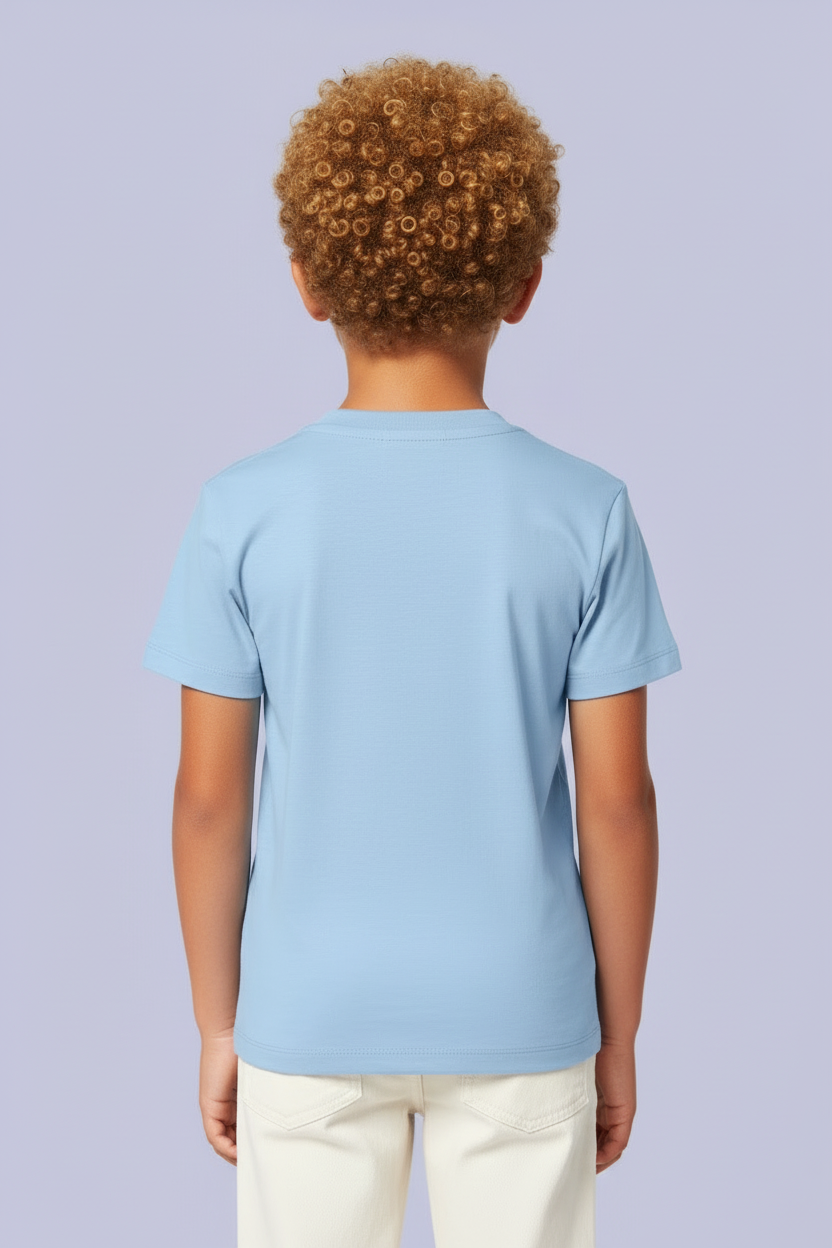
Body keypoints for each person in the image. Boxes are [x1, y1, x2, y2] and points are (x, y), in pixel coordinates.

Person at [142, 55, 682, 1248]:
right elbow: (617, 803)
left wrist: (218, 1024)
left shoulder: (241, 511)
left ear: (306, 282)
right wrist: (620, 1033)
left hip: (309, 1015)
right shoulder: (585, 511)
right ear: (524, 284)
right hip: (524, 1010)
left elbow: (207, 801)